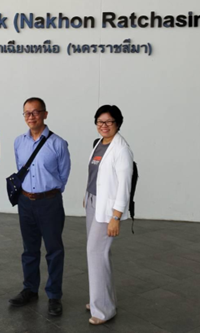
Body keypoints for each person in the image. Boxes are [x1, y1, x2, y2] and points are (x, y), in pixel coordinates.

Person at [8, 97, 71, 316]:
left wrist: (48, 193)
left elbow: (63, 175)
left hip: (49, 202)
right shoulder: (19, 142)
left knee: (54, 250)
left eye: (35, 112)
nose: (31, 116)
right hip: (25, 202)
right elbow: (20, 168)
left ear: (45, 114)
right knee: (29, 250)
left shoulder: (58, 143)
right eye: (27, 113)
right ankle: (30, 290)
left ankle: (54, 296)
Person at [84, 105, 133, 325]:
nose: (104, 125)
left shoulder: (122, 149)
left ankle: (103, 310)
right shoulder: (100, 144)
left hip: (107, 209)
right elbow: (95, 175)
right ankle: (102, 299)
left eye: (109, 122)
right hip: (93, 202)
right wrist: (87, 196)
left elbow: (124, 186)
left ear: (117, 123)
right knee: (99, 254)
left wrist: (116, 217)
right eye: (100, 121)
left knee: (96, 252)